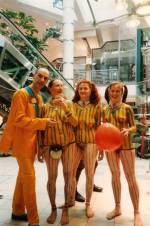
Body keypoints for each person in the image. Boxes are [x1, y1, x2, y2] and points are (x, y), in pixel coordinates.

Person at [0, 68, 56, 226]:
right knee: (30, 180)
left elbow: (35, 122)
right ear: (34, 76)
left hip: (31, 144)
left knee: (22, 178)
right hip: (21, 143)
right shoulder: (21, 94)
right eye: (40, 76)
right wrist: (43, 122)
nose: (42, 80)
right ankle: (34, 220)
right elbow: (18, 119)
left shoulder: (38, 98)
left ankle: (17, 211)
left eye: (45, 78)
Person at [38, 79, 77, 225]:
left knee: (68, 175)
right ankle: (53, 208)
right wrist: (40, 147)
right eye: (56, 85)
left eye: (62, 85)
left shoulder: (69, 104)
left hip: (68, 145)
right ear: (50, 89)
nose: (60, 87)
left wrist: (65, 108)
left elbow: (75, 123)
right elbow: (40, 129)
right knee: (52, 177)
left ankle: (66, 208)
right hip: (50, 145)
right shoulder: (44, 107)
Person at [103, 81, 143, 226]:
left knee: (130, 177)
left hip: (126, 146)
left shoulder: (127, 108)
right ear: (108, 92)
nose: (114, 94)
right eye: (112, 91)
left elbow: (134, 126)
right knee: (115, 176)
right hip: (110, 147)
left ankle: (136, 212)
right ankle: (117, 207)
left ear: (122, 93)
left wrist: (128, 130)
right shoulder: (105, 109)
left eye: (117, 91)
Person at [72, 79, 103, 218]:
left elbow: (99, 127)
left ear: (91, 91)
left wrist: (101, 147)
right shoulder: (72, 105)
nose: (83, 91)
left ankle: (88, 204)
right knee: (70, 173)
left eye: (85, 88)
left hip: (91, 143)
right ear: (77, 91)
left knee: (90, 174)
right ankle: (69, 199)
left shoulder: (96, 106)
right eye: (80, 89)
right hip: (75, 143)